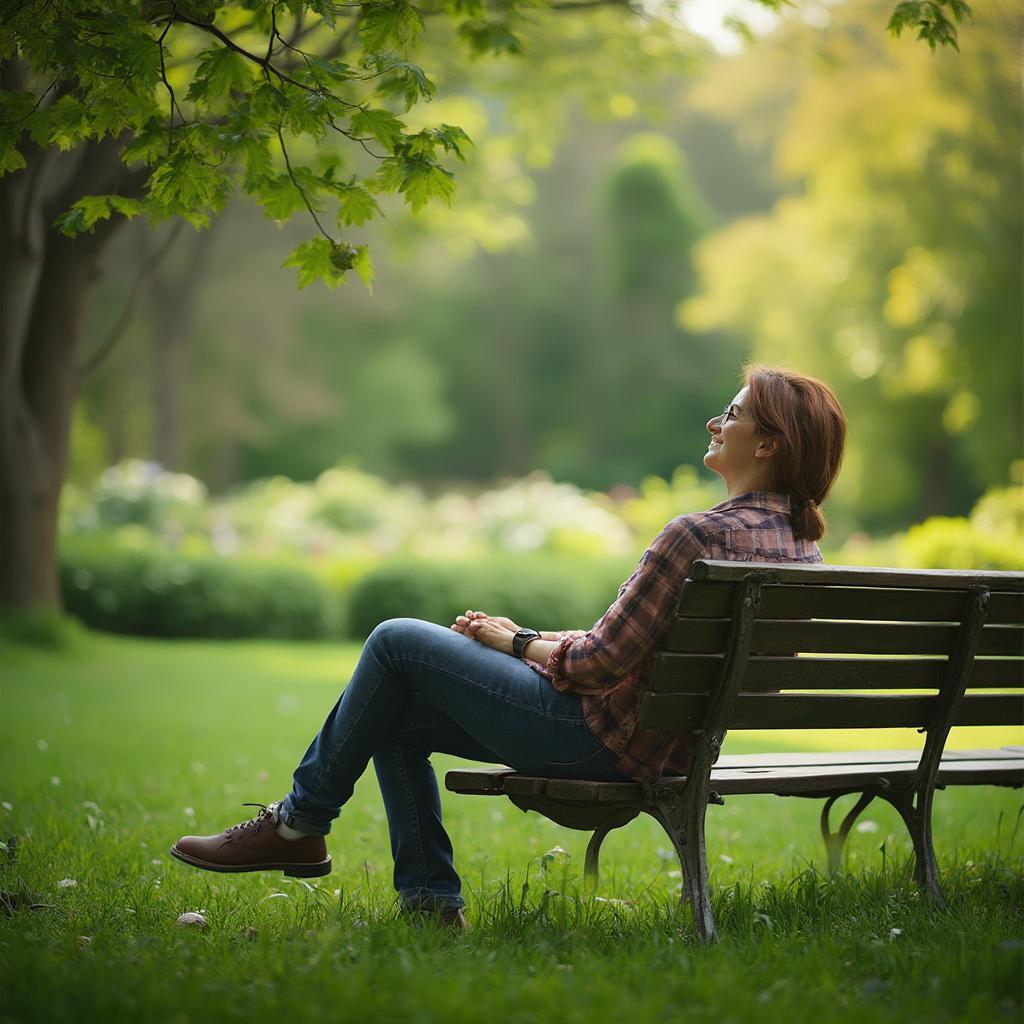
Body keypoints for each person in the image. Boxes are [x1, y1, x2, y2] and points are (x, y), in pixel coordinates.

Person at [171, 364, 846, 929]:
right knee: (388, 711)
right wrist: (529, 639)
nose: (714, 422)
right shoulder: (801, 551)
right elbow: (637, 650)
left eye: (731, 414)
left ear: (766, 445)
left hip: (598, 742)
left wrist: (516, 641)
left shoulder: (696, 536)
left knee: (394, 643)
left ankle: (298, 822)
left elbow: (595, 666)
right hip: (671, 747)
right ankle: (429, 902)